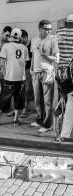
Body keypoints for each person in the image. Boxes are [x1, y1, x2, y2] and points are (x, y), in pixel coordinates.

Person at [0, 28, 29, 126]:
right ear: (20, 37)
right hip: (21, 78)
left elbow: (2, 63)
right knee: (18, 99)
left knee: (3, 99)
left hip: (9, 77)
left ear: (11, 36)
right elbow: (25, 63)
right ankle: (16, 120)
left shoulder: (6, 46)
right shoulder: (24, 48)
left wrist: (4, 74)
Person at [30, 20, 59, 133]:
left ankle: (47, 124)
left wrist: (44, 54)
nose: (49, 31)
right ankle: (39, 119)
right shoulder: (34, 40)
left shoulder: (53, 40)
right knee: (37, 100)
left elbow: (57, 59)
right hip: (36, 73)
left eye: (50, 29)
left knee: (47, 100)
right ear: (40, 29)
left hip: (47, 72)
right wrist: (32, 69)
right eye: (46, 29)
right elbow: (33, 56)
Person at [7, 29, 34, 118]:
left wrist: (26, 59)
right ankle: (16, 110)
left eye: (20, 38)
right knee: (18, 91)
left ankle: (24, 110)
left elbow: (34, 58)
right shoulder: (18, 45)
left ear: (25, 37)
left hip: (28, 70)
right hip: (18, 70)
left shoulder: (31, 45)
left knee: (27, 90)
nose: (18, 39)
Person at [55, 14, 73, 143]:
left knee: (63, 103)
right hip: (71, 70)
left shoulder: (58, 33)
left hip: (62, 71)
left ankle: (62, 132)